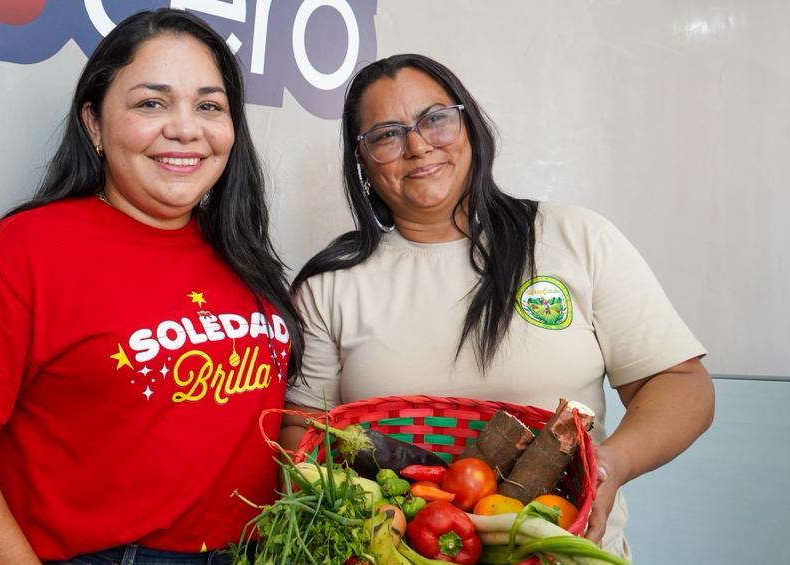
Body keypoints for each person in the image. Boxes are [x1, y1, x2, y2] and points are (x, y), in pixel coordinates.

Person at [0, 9, 303, 565]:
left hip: (258, 550)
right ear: (94, 123)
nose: (187, 128)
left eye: (209, 105)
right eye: (150, 103)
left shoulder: (240, 249)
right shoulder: (28, 250)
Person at [281, 54, 714, 558]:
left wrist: (613, 463)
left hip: (561, 553)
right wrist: (331, 514)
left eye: (434, 119)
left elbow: (680, 383)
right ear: (361, 160)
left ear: (469, 125)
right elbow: (302, 428)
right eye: (386, 135)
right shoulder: (330, 284)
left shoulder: (574, 238)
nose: (418, 145)